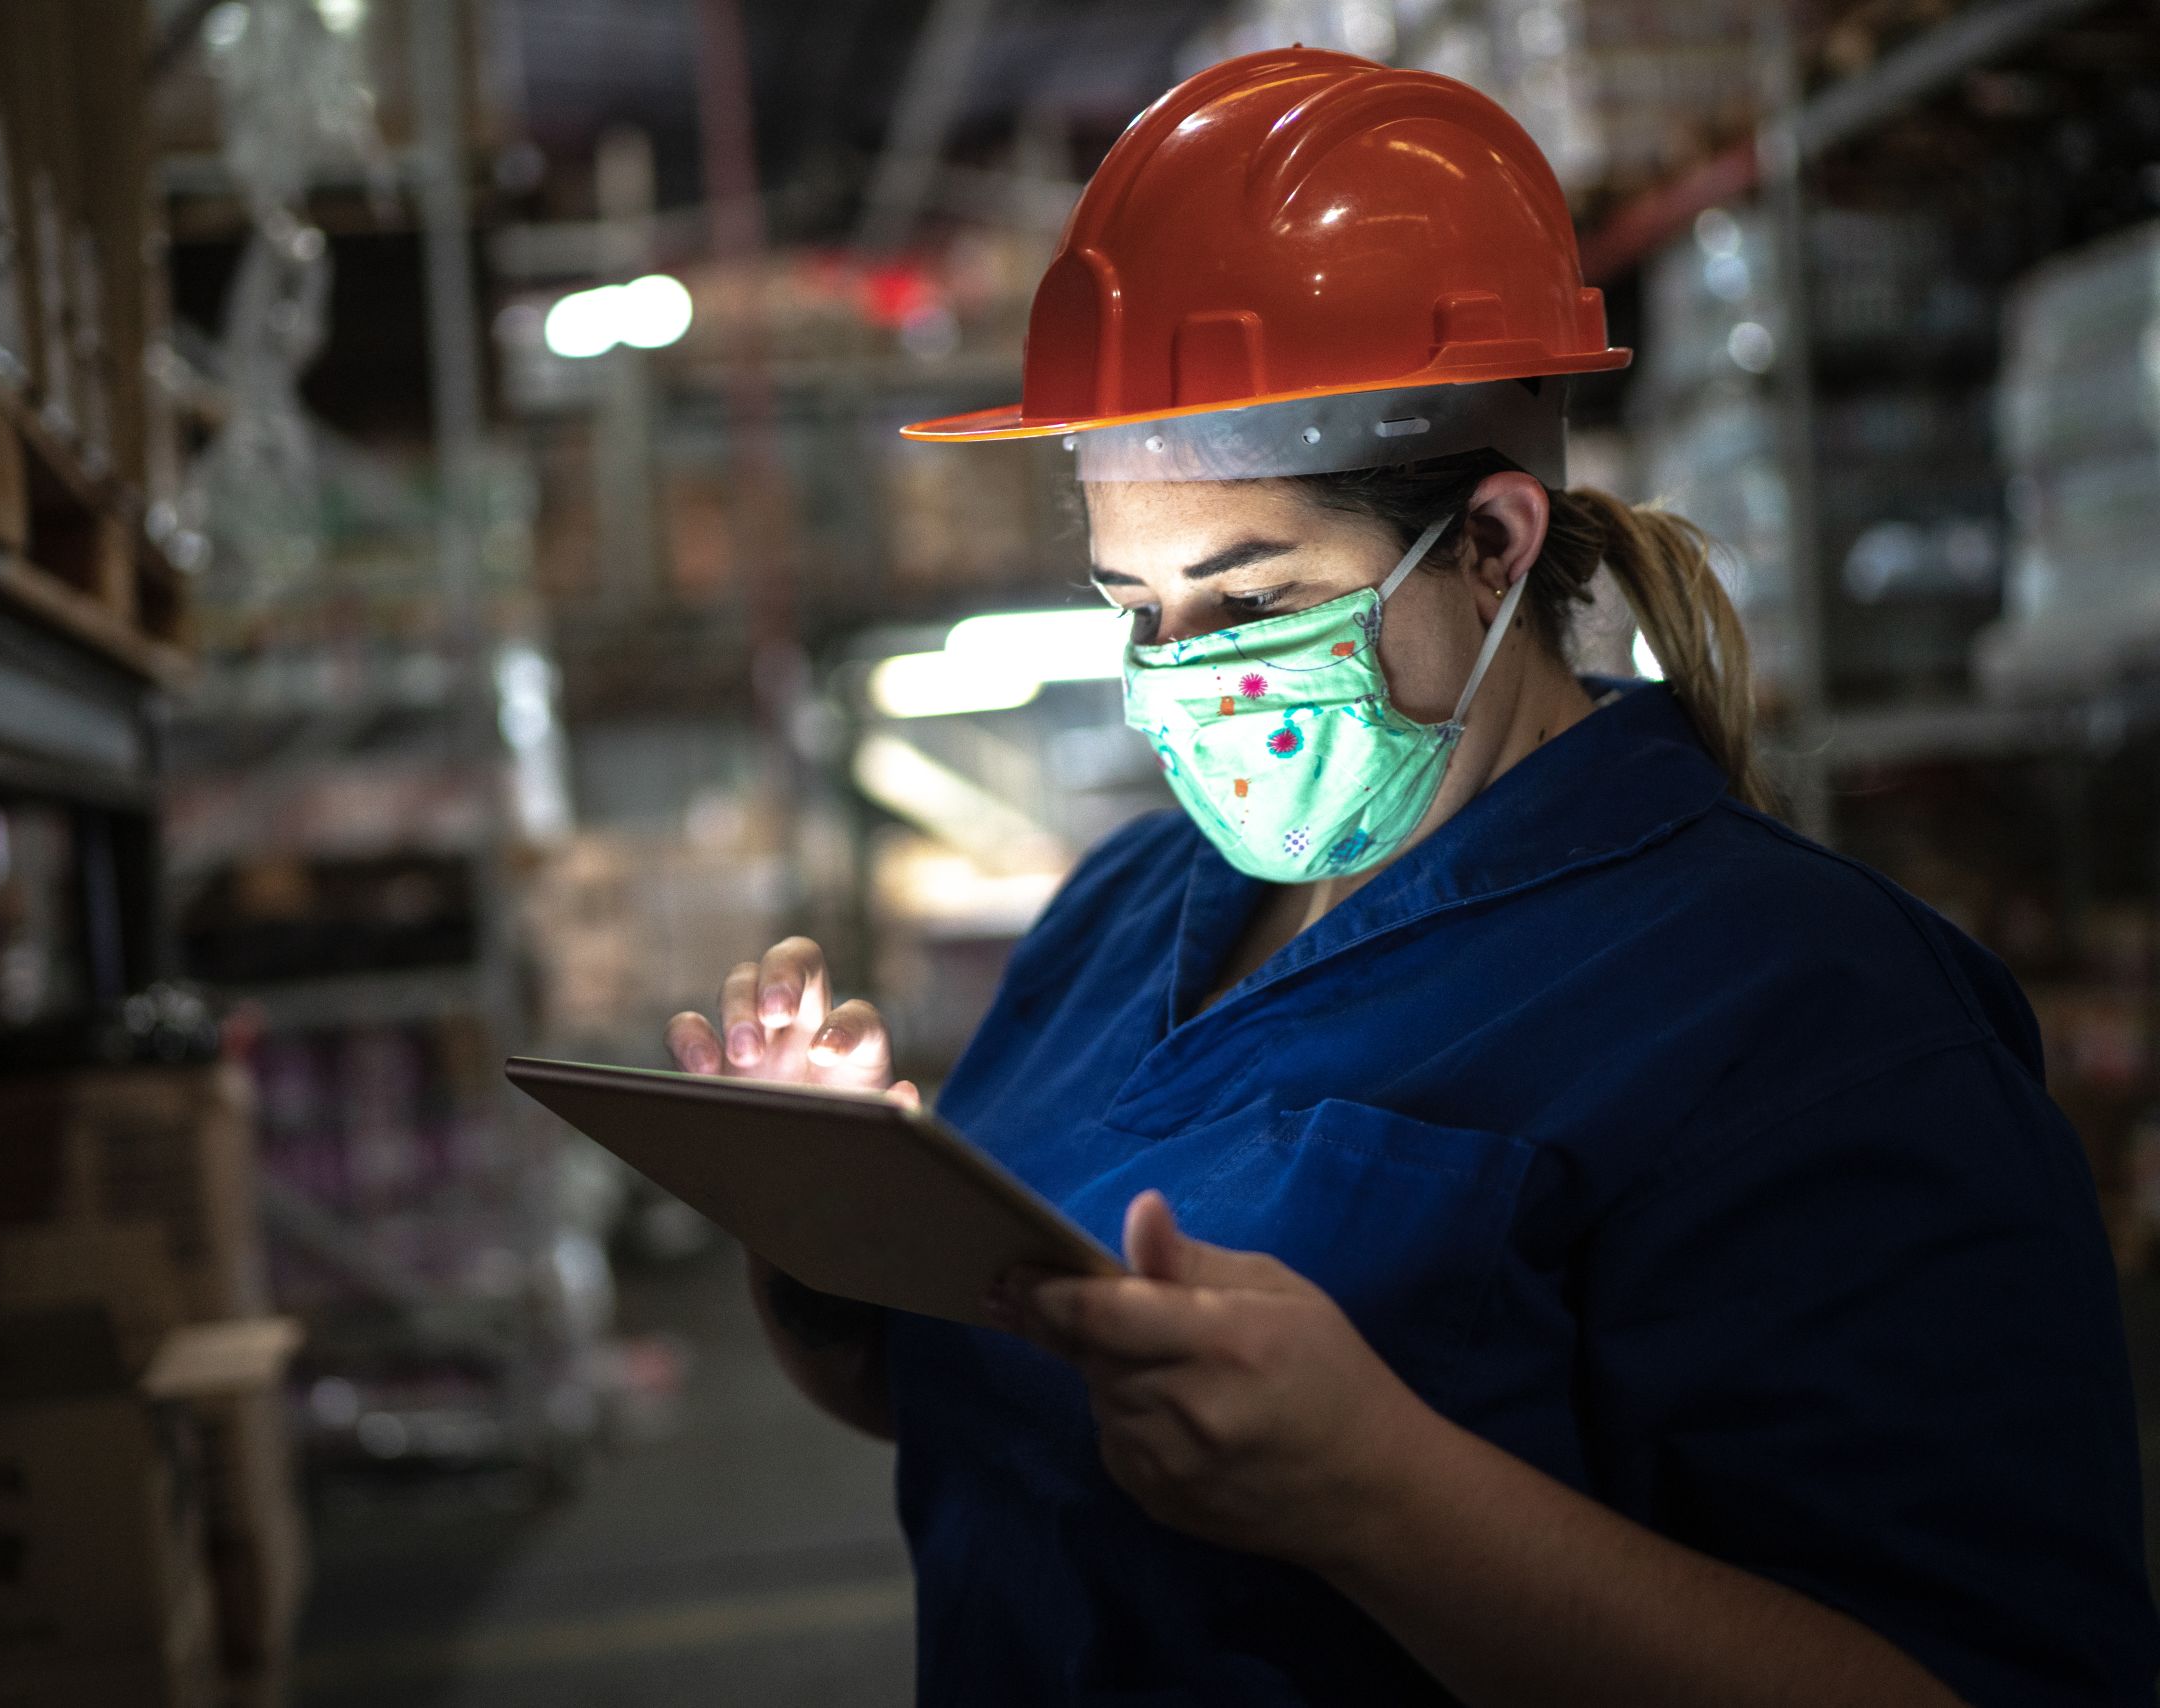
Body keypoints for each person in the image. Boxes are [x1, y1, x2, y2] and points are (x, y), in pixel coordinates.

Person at [664, 47, 2159, 1707]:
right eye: (1132, 607)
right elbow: (994, 1405)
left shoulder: (1809, 1019)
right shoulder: (1122, 913)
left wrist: (1382, 1494)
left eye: (1247, 602)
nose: (1181, 670)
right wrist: (828, 1235)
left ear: (1495, 545)